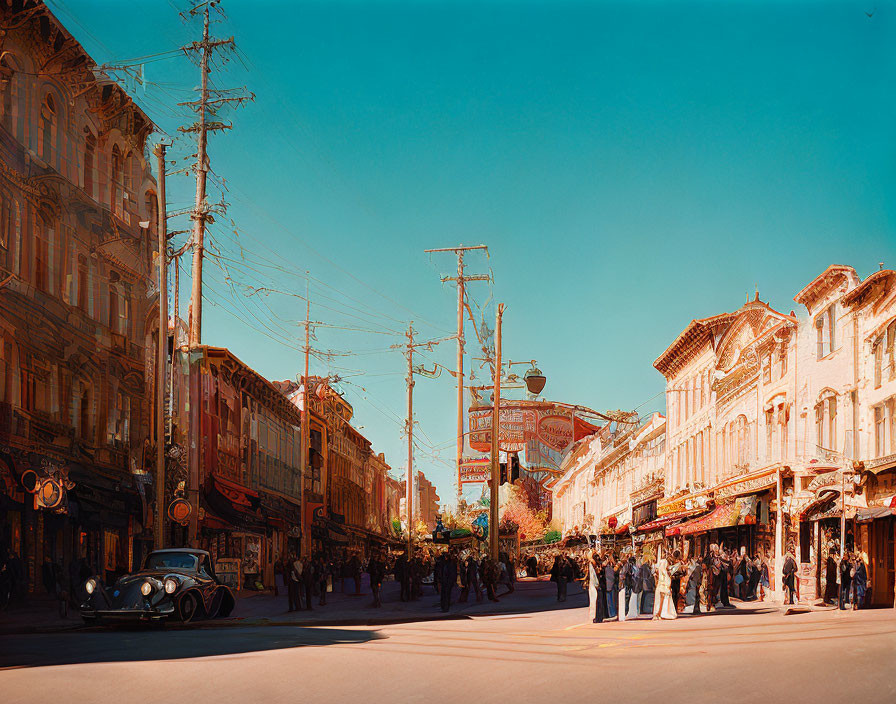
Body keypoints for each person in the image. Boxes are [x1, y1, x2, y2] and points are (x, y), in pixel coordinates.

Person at [653, 547, 676, 620]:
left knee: (660, 598)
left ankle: (659, 613)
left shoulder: (660, 562)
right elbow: (663, 571)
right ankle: (660, 613)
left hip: (661, 581)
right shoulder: (664, 562)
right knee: (663, 598)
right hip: (663, 581)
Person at [604, 553, 617, 619]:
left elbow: (615, 570)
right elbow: (603, 564)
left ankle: (613, 612)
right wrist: (607, 561)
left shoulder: (612, 566)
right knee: (609, 600)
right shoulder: (606, 566)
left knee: (613, 599)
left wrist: (613, 562)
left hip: (612, 583)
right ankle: (611, 613)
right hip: (608, 584)